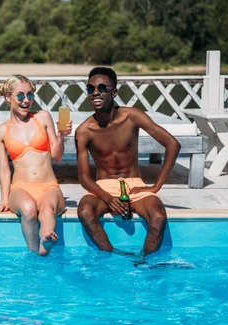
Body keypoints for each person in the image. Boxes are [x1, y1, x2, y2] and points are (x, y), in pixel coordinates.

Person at [75, 67, 181, 256]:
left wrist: (155, 186)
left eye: (102, 88)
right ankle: (112, 256)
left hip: (134, 186)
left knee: (158, 217)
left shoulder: (132, 116)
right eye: (91, 89)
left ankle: (145, 262)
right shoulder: (84, 131)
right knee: (84, 211)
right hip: (103, 188)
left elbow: (172, 144)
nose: (96, 93)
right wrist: (109, 199)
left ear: (114, 92)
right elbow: (84, 178)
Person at [0, 75, 72, 255]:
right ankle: (33, 252)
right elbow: (4, 170)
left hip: (48, 186)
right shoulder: (0, 131)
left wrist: (61, 135)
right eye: (20, 96)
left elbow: (57, 156)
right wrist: (5, 199)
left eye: (30, 95)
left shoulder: (43, 117)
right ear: (8, 97)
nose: (26, 100)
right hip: (20, 188)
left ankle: (46, 242)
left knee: (47, 210)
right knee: (28, 210)